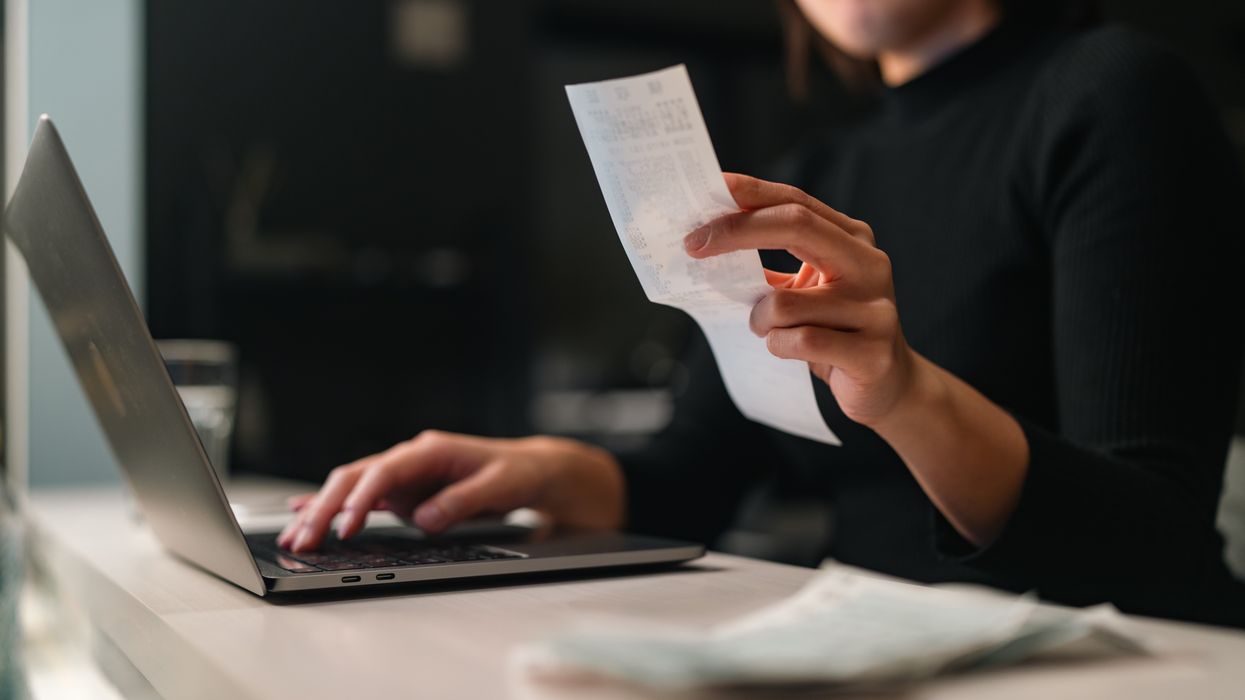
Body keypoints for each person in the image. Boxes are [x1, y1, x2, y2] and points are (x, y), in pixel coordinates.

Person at [279, 0, 1245, 625]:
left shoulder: (1112, 95)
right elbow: (693, 476)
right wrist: (526, 469)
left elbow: (1152, 537)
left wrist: (903, 393)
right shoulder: (827, 171)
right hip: (858, 645)